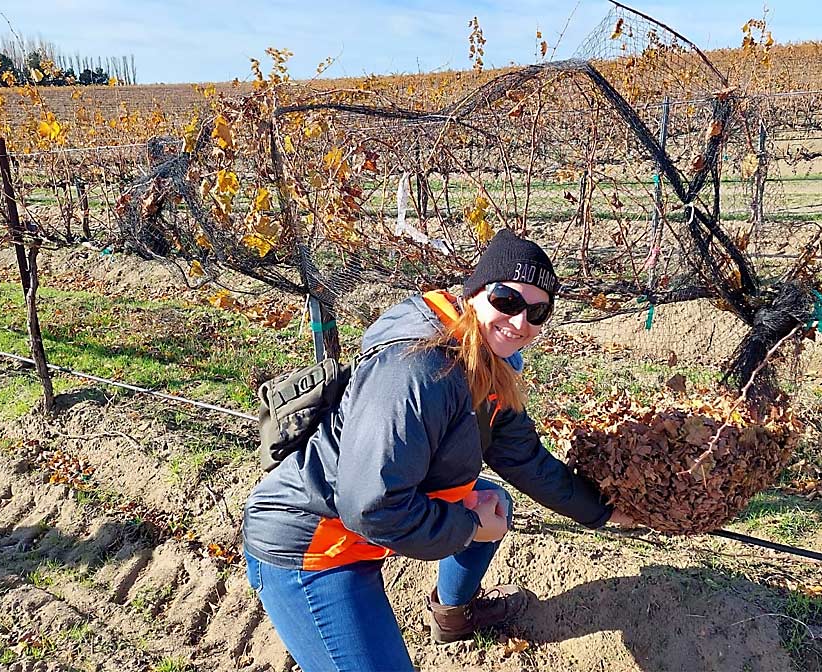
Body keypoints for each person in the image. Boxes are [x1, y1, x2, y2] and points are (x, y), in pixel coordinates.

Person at [243, 228, 633, 671]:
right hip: (314, 545)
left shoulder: (490, 360)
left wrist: (604, 511)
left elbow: (521, 455)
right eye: (507, 300)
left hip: (367, 519)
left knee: (494, 501)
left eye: (538, 310)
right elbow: (370, 508)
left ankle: (452, 615)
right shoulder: (418, 370)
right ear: (476, 293)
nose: (521, 321)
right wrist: (467, 527)